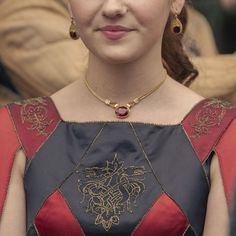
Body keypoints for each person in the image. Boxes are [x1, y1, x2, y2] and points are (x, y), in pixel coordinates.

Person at [0, 0, 236, 235]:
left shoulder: (224, 132)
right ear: (70, 5)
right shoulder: (14, 130)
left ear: (175, 3)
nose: (113, 8)